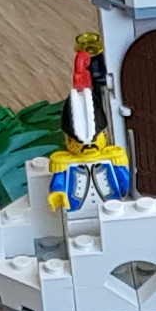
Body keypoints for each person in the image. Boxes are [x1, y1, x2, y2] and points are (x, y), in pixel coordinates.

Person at [47, 34, 131, 212]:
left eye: (94, 139)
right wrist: (58, 193)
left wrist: (129, 189)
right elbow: (59, 182)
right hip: (77, 211)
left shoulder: (111, 158)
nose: (88, 146)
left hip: (113, 209)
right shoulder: (64, 163)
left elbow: (124, 179)